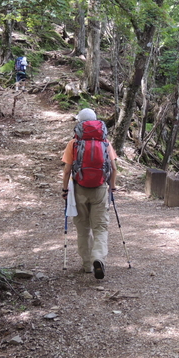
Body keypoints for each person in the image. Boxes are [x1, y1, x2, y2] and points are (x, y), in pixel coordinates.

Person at [61, 108, 117, 279]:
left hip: (79, 189)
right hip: (100, 189)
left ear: (79, 123)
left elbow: (67, 171)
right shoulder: (105, 142)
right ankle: (98, 257)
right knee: (100, 228)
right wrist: (112, 187)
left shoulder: (73, 143)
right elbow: (114, 169)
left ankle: (87, 265)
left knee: (83, 229)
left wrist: (65, 190)